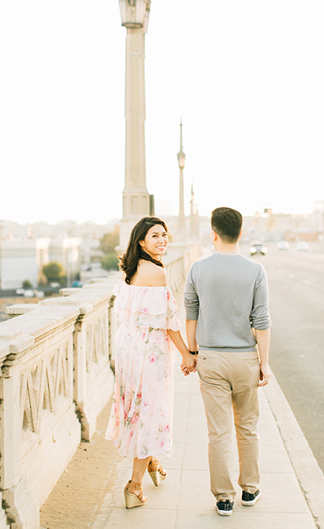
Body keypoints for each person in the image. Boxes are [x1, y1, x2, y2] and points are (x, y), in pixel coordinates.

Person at [184, 207, 272, 517]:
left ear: (214, 233)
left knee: (218, 432)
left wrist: (193, 354)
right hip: (245, 358)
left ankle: (224, 497)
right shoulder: (255, 271)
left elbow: (191, 315)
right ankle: (249, 489)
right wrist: (265, 362)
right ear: (240, 232)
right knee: (247, 427)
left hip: (211, 358)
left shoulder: (197, 269)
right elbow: (261, 321)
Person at [105, 217, 197, 508]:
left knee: (137, 406)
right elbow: (168, 321)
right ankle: (134, 486)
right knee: (150, 412)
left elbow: (127, 312)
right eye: (155, 236)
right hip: (147, 349)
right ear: (141, 241)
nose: (162, 240)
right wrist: (186, 354)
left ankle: (153, 462)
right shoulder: (157, 272)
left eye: (164, 235)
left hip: (127, 346)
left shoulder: (128, 269)